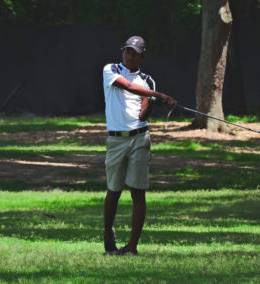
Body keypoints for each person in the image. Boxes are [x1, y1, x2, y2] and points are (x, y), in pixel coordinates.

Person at [102, 35, 177, 255]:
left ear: (142, 57)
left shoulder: (148, 80)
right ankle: (108, 233)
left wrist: (153, 101)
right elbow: (127, 87)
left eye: (136, 53)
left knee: (138, 191)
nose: (130, 56)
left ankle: (132, 246)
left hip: (139, 138)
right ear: (123, 51)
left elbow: (143, 113)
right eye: (128, 51)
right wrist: (159, 95)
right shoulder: (111, 69)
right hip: (116, 139)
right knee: (114, 190)